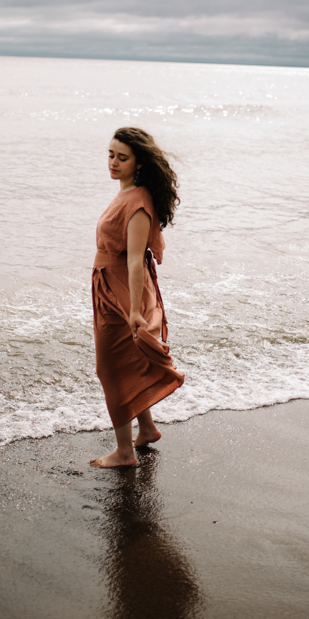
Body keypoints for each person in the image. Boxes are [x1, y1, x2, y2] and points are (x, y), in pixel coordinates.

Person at [90, 127, 184, 468]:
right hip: (112, 286)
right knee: (130, 361)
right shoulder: (129, 193)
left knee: (110, 369)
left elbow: (133, 259)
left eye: (122, 157)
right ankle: (146, 429)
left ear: (139, 162)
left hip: (123, 292)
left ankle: (124, 452)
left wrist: (133, 311)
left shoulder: (138, 204)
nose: (113, 162)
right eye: (111, 155)